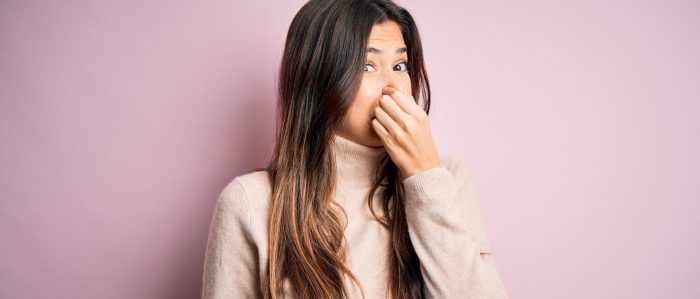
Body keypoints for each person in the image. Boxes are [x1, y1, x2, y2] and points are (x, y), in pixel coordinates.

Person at [201, 0, 509, 298]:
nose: (394, 87)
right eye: (367, 66)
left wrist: (424, 177)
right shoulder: (250, 204)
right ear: (319, 79)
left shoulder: (447, 180)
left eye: (400, 65)